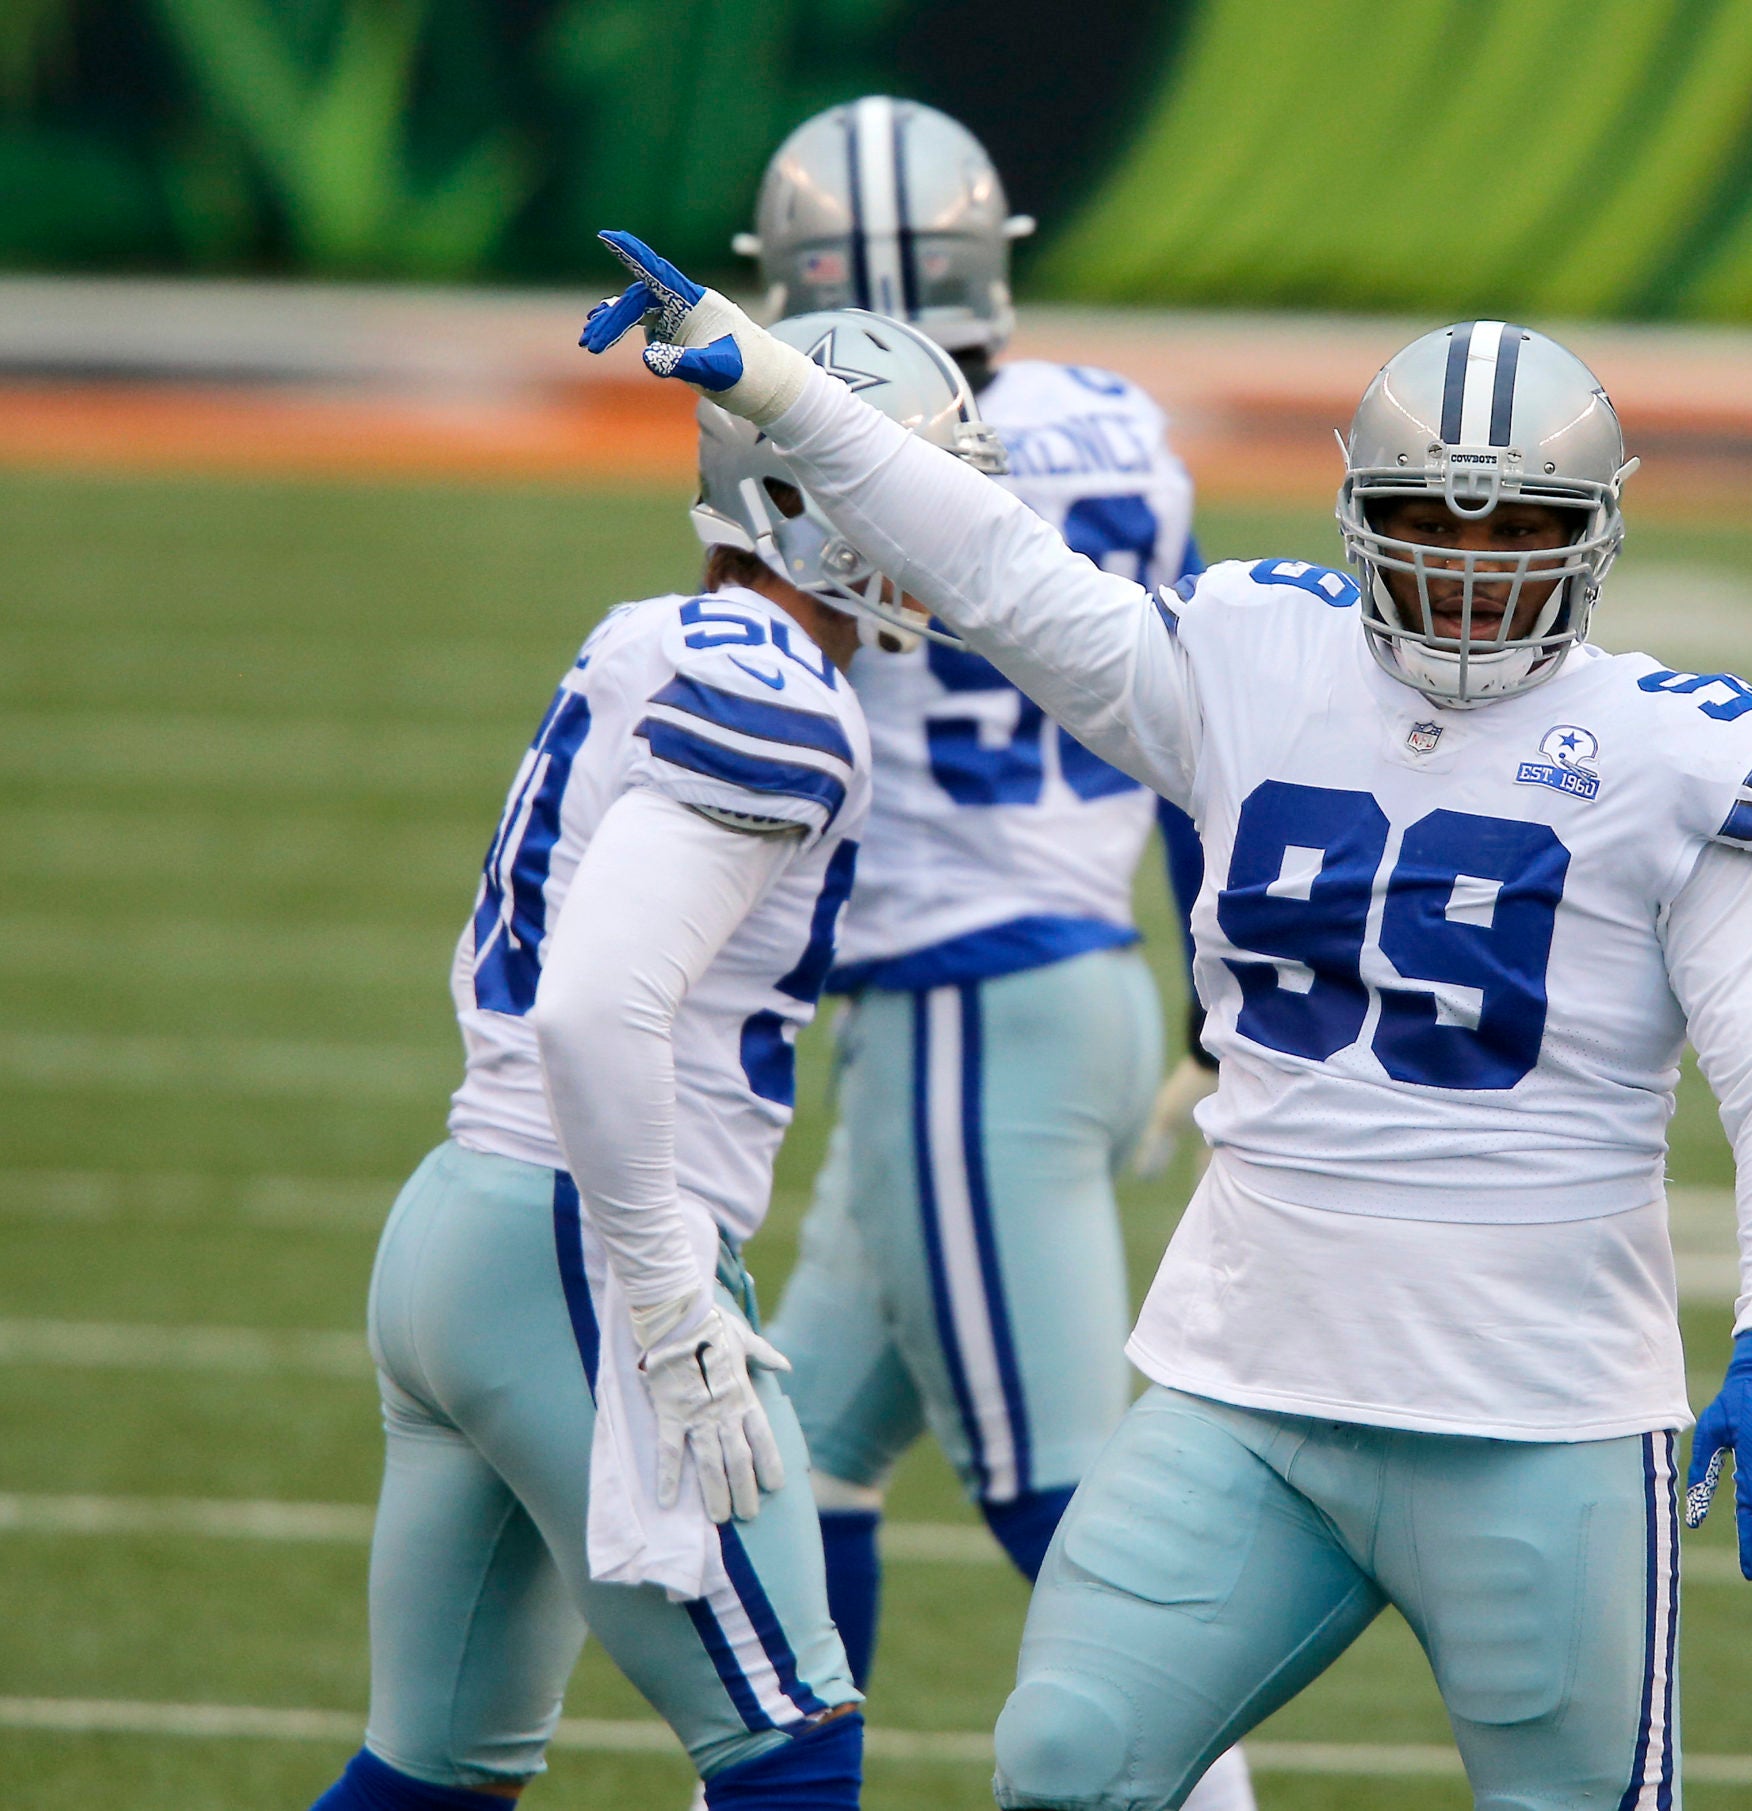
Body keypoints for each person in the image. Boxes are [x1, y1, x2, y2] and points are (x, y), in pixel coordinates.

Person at [584, 238, 1752, 1811]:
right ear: (1359, 515)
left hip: (1542, 1418)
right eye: (1429, 521)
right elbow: (997, 570)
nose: (1472, 566)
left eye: (1521, 527)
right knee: (1068, 1760)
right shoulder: (1257, 659)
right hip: (1246, 1390)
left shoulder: (1675, 754)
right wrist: (778, 382)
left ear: (1593, 535)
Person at [304, 307, 996, 1811]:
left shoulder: (659, 633)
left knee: (432, 1779)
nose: (943, 525)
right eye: (905, 482)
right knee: (791, 1749)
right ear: (801, 499)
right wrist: (671, 1299)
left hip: (464, 1224)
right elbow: (594, 1006)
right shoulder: (776, 694)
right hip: (583, 1248)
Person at [723, 98, 1250, 1811]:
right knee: (791, 1462)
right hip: (1081, 982)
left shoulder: (824, 443)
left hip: (962, 1009)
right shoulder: (1122, 428)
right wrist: (1212, 1003)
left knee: (1078, 1520)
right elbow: (1188, 716)